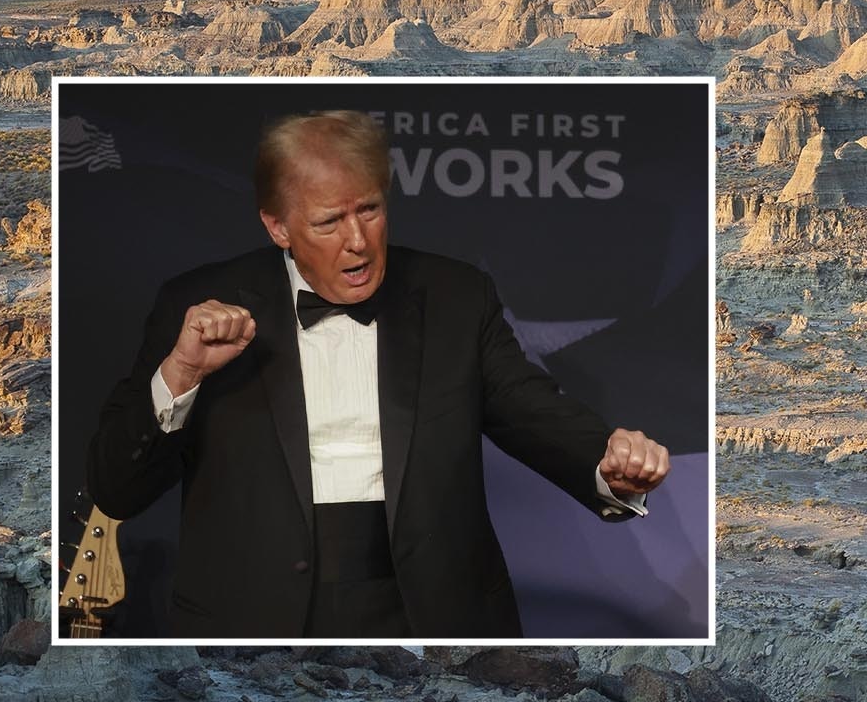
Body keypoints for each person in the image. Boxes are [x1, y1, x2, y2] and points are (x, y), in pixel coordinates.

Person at [87, 111, 668, 638]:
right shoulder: (193, 304)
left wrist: (609, 466)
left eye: (369, 209)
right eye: (328, 221)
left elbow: (530, 407)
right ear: (278, 227)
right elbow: (117, 488)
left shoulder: (456, 297)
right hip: (253, 617)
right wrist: (181, 371)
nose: (358, 241)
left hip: (436, 612)